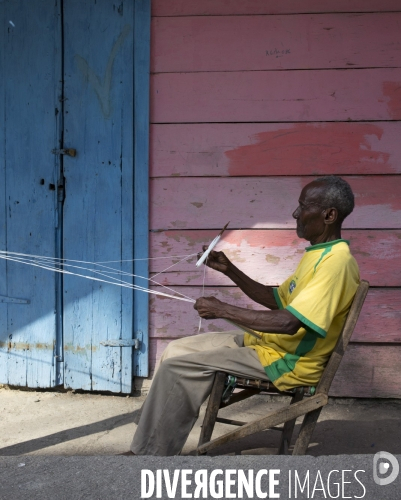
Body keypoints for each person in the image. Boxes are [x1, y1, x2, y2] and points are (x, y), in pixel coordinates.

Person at [128, 175, 360, 456]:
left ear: (329, 214)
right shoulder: (318, 254)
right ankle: (149, 439)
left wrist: (222, 309)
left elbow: (289, 323)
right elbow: (276, 299)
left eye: (303, 206)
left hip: (289, 362)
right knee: (175, 350)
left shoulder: (336, 263)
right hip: (270, 347)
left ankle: (148, 455)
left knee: (178, 367)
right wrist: (230, 270)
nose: (295, 213)